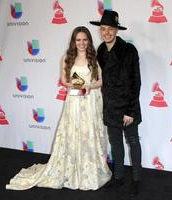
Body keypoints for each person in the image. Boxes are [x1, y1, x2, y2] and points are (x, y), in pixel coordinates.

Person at [6, 26, 111, 190]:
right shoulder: (67, 58)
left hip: (91, 101)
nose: (81, 43)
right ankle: (71, 169)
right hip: (74, 101)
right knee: (73, 132)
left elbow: (101, 81)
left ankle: (90, 169)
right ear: (74, 42)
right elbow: (63, 80)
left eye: (84, 40)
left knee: (89, 133)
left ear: (89, 41)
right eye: (78, 40)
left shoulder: (95, 58)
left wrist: (90, 86)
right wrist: (73, 85)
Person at [90, 10, 142, 196]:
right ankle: (118, 177)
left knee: (133, 142)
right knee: (116, 145)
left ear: (116, 30)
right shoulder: (101, 51)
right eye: (103, 29)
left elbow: (136, 82)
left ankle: (137, 179)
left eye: (111, 29)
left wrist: (130, 111)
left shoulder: (129, 50)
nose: (106, 33)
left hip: (128, 108)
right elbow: (99, 78)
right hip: (110, 107)